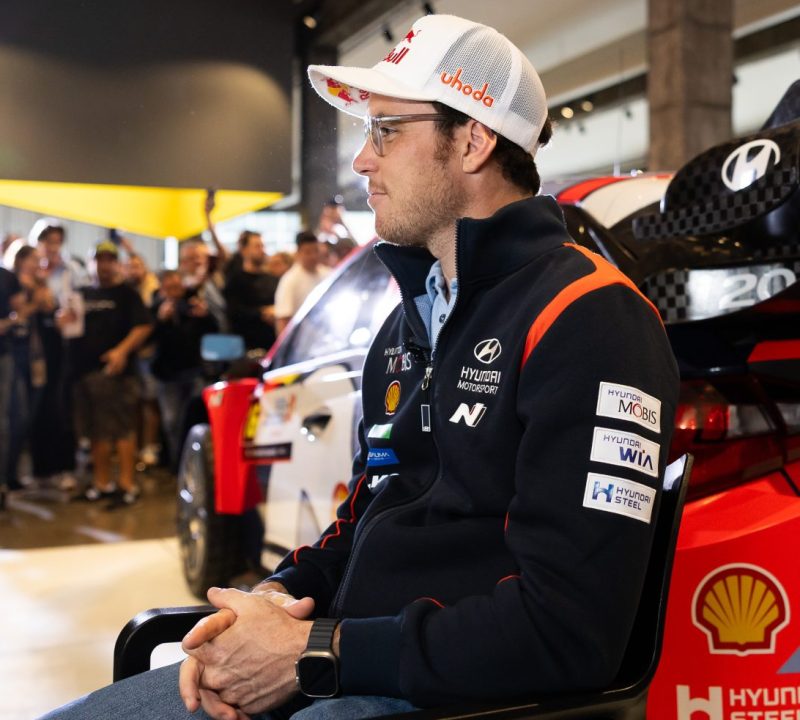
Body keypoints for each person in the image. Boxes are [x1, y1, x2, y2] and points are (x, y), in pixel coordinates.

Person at [43, 13, 679, 720]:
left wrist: (317, 651)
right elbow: (367, 516)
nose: (362, 161)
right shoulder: (409, 324)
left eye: (387, 131)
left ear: (473, 141)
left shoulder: (592, 319)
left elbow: (570, 630)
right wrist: (272, 603)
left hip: (452, 697)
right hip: (349, 662)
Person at [60, 241, 151, 507]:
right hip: (84, 373)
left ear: (117, 263)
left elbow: (144, 325)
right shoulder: (81, 293)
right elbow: (69, 326)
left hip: (117, 373)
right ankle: (102, 484)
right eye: (100, 260)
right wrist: (61, 320)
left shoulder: (127, 294)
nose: (104, 265)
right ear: (92, 263)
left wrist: (121, 351)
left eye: (110, 260)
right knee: (96, 431)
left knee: (122, 430)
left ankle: (127, 484)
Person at [150, 270, 218, 470]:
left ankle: (194, 465)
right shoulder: (155, 308)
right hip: (167, 374)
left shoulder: (194, 304)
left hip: (194, 371)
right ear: (162, 289)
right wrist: (161, 320)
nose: (175, 291)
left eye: (177, 286)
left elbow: (213, 332)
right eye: (170, 287)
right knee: (172, 422)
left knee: (192, 420)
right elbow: (149, 340)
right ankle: (177, 465)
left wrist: (205, 316)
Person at [224, 231, 278, 351]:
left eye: (263, 246)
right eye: (257, 246)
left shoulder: (272, 279)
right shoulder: (235, 281)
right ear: (244, 250)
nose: (262, 250)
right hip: (248, 347)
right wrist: (261, 312)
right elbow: (234, 313)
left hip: (272, 344)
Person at [274, 231, 331, 335]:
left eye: (316, 251)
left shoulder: (328, 274)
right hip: (302, 339)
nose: (313, 256)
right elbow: (283, 319)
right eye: (308, 252)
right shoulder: (289, 280)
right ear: (298, 253)